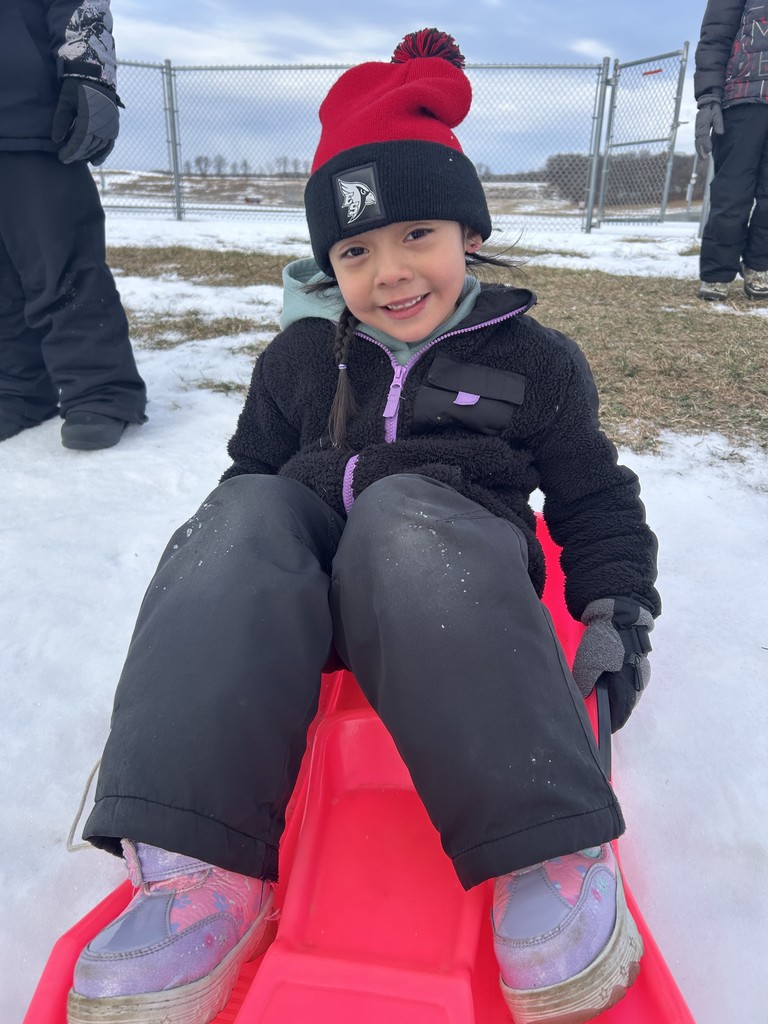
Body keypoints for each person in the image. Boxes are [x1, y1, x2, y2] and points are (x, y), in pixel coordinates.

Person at [66, 29, 660, 1024]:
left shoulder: (533, 361)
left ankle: (547, 843)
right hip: (310, 601)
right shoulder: (299, 359)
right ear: (327, 264)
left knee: (398, 512)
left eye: (416, 234)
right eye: (354, 250)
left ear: (468, 230)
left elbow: (593, 496)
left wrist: (618, 611)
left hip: (446, 579)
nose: (390, 272)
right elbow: (251, 477)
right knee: (244, 508)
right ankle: (198, 870)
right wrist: (226, 568)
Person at [0, 0, 146, 450]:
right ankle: (19, 390)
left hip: (28, 111)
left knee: (59, 261)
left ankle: (102, 391)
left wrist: (89, 72)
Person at [695, 0, 768, 302]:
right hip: (742, 97)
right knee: (731, 192)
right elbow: (715, 36)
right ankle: (717, 272)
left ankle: (760, 265)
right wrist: (708, 98)